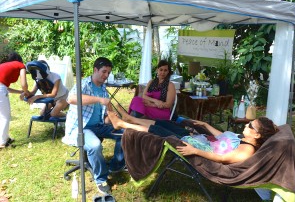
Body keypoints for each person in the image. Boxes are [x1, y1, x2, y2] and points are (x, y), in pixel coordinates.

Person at [107, 106, 279, 164]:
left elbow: (221, 159)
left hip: (196, 146)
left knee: (158, 132)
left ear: (256, 135)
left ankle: (122, 123)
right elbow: (223, 136)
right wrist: (205, 125)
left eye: (250, 125)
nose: (246, 124)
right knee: (164, 123)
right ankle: (129, 118)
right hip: (199, 139)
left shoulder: (246, 151)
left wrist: (195, 151)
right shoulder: (243, 139)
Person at [62, 57, 125, 195]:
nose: (106, 75)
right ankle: (100, 178)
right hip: (79, 128)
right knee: (95, 145)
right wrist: (99, 99)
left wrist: (114, 120)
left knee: (125, 132)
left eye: (108, 73)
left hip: (98, 125)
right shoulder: (84, 83)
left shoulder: (102, 87)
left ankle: (116, 165)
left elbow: (103, 116)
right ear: (95, 70)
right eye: (104, 72)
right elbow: (71, 98)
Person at [0, 52, 30, 148]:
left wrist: (20, 92)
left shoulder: (3, 65)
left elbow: (5, 87)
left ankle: (5, 137)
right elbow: (24, 83)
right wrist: (26, 92)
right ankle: (2, 142)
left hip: (1, 87)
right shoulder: (21, 65)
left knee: (1, 115)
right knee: (5, 116)